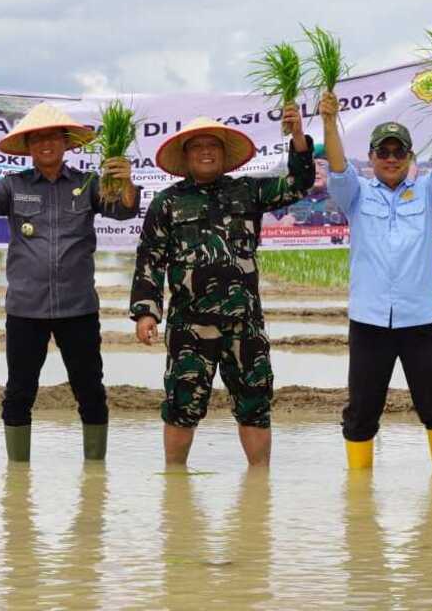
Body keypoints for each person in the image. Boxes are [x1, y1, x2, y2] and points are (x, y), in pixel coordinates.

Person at [131, 107, 315, 467]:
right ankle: (175, 482)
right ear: (185, 156)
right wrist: (146, 312)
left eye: (212, 145)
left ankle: (259, 485)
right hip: (190, 324)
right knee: (183, 404)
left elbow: (300, 183)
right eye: (196, 146)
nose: (205, 151)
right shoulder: (167, 202)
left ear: (224, 154)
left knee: (255, 405)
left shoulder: (248, 191)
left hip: (243, 323)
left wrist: (297, 136)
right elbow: (150, 258)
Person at [0, 102, 139, 462]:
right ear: (27, 147)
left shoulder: (88, 185)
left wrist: (126, 180)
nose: (45, 144)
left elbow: (124, 210)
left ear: (66, 143)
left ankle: (95, 474)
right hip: (26, 309)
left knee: (90, 390)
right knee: (19, 393)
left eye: (52, 138)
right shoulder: (13, 186)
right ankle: (18, 477)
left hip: (78, 308)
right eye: (37, 139)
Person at [323, 90, 432, 472]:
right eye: (384, 152)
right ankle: (358, 504)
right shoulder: (356, 194)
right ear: (373, 158)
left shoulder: (428, 192)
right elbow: (339, 166)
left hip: (422, 321)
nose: (391, 159)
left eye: (399, 152)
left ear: (410, 157)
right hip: (370, 321)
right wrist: (329, 121)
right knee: (361, 413)